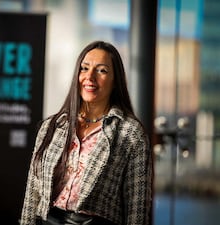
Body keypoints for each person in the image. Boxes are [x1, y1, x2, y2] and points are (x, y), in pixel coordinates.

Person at [20, 41, 153, 225]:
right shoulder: (52, 125)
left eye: (102, 70)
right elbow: (32, 192)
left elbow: (137, 208)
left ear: (116, 81)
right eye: (84, 68)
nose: (90, 77)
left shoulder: (130, 133)